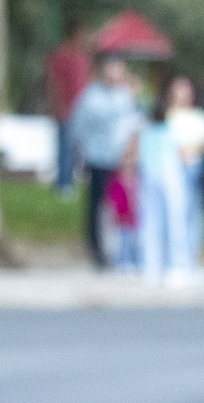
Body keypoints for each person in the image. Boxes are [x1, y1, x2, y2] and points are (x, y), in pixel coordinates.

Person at [69, 56, 138, 270]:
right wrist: (81, 154)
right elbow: (78, 127)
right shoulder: (91, 96)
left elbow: (133, 125)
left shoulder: (127, 96)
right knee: (97, 206)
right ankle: (97, 250)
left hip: (121, 161)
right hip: (98, 158)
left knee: (121, 206)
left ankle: (123, 251)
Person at [138, 80, 193, 287]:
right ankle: (175, 266)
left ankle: (152, 266)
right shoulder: (172, 125)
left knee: (153, 220)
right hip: (167, 172)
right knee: (173, 221)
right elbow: (184, 153)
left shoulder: (150, 125)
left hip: (151, 170)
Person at [45, 19, 93, 198]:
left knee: (76, 148)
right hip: (65, 109)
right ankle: (63, 183)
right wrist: (58, 106)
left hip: (81, 111)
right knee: (65, 146)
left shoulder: (83, 58)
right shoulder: (60, 56)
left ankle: (70, 181)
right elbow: (54, 83)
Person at [165, 76, 204, 264]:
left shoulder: (197, 115)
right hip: (174, 168)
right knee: (175, 212)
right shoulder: (167, 115)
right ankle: (175, 256)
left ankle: (191, 254)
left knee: (192, 212)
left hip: (195, 167)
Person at [106, 137, 140, 275]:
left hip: (133, 217)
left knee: (133, 241)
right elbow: (112, 198)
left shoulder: (137, 181)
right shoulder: (117, 181)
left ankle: (133, 261)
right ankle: (122, 262)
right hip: (121, 215)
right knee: (122, 240)